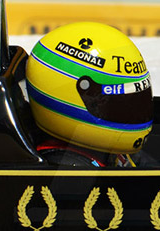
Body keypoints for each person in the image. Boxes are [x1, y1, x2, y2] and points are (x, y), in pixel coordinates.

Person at [26, 22, 152, 167]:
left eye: (135, 100)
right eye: (115, 102)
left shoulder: (110, 149)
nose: (132, 112)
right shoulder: (70, 169)